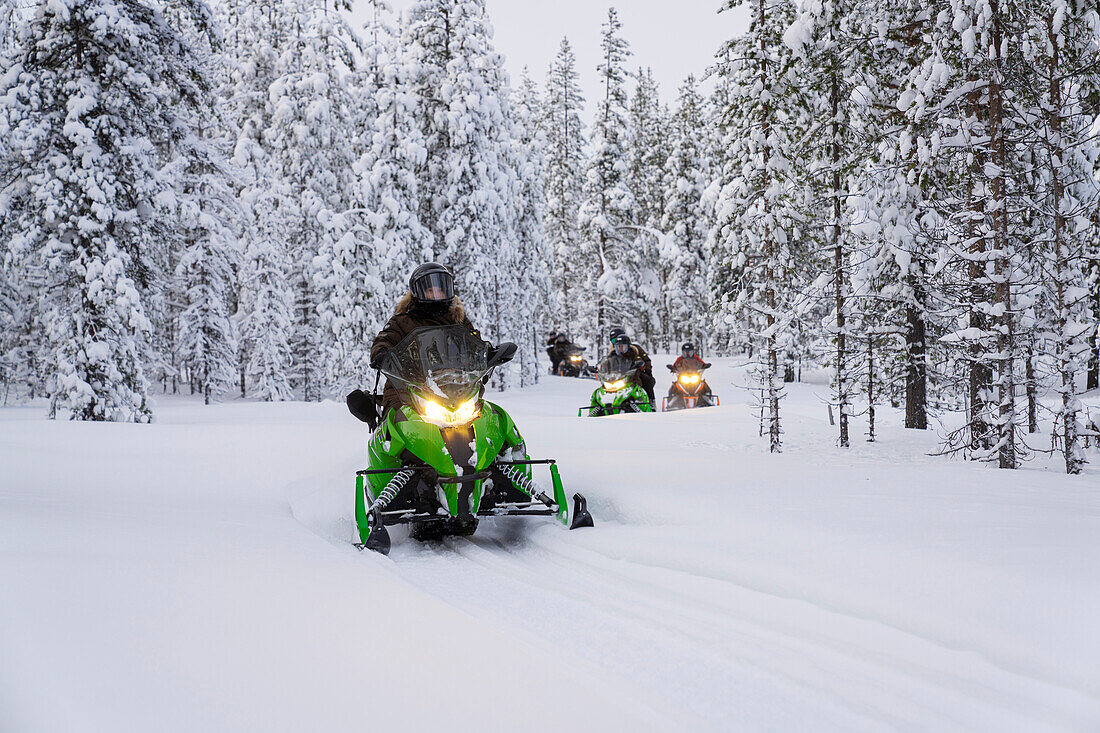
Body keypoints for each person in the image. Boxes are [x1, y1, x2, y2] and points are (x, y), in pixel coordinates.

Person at [367, 263, 476, 414]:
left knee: (490, 416)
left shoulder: (458, 320)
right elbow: (385, 339)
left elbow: (474, 342)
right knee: (401, 418)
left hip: (456, 389)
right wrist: (382, 353)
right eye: (431, 290)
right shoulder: (403, 321)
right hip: (407, 390)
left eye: (440, 290)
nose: (436, 295)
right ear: (418, 292)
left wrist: (490, 354)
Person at [610, 332, 655, 405]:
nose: (620, 348)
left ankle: (651, 401)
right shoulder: (613, 355)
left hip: (632, 376)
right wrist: (599, 368)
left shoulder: (633, 352)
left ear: (627, 346)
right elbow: (607, 364)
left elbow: (642, 360)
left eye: (623, 346)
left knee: (647, 381)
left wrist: (642, 367)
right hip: (617, 377)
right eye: (618, 346)